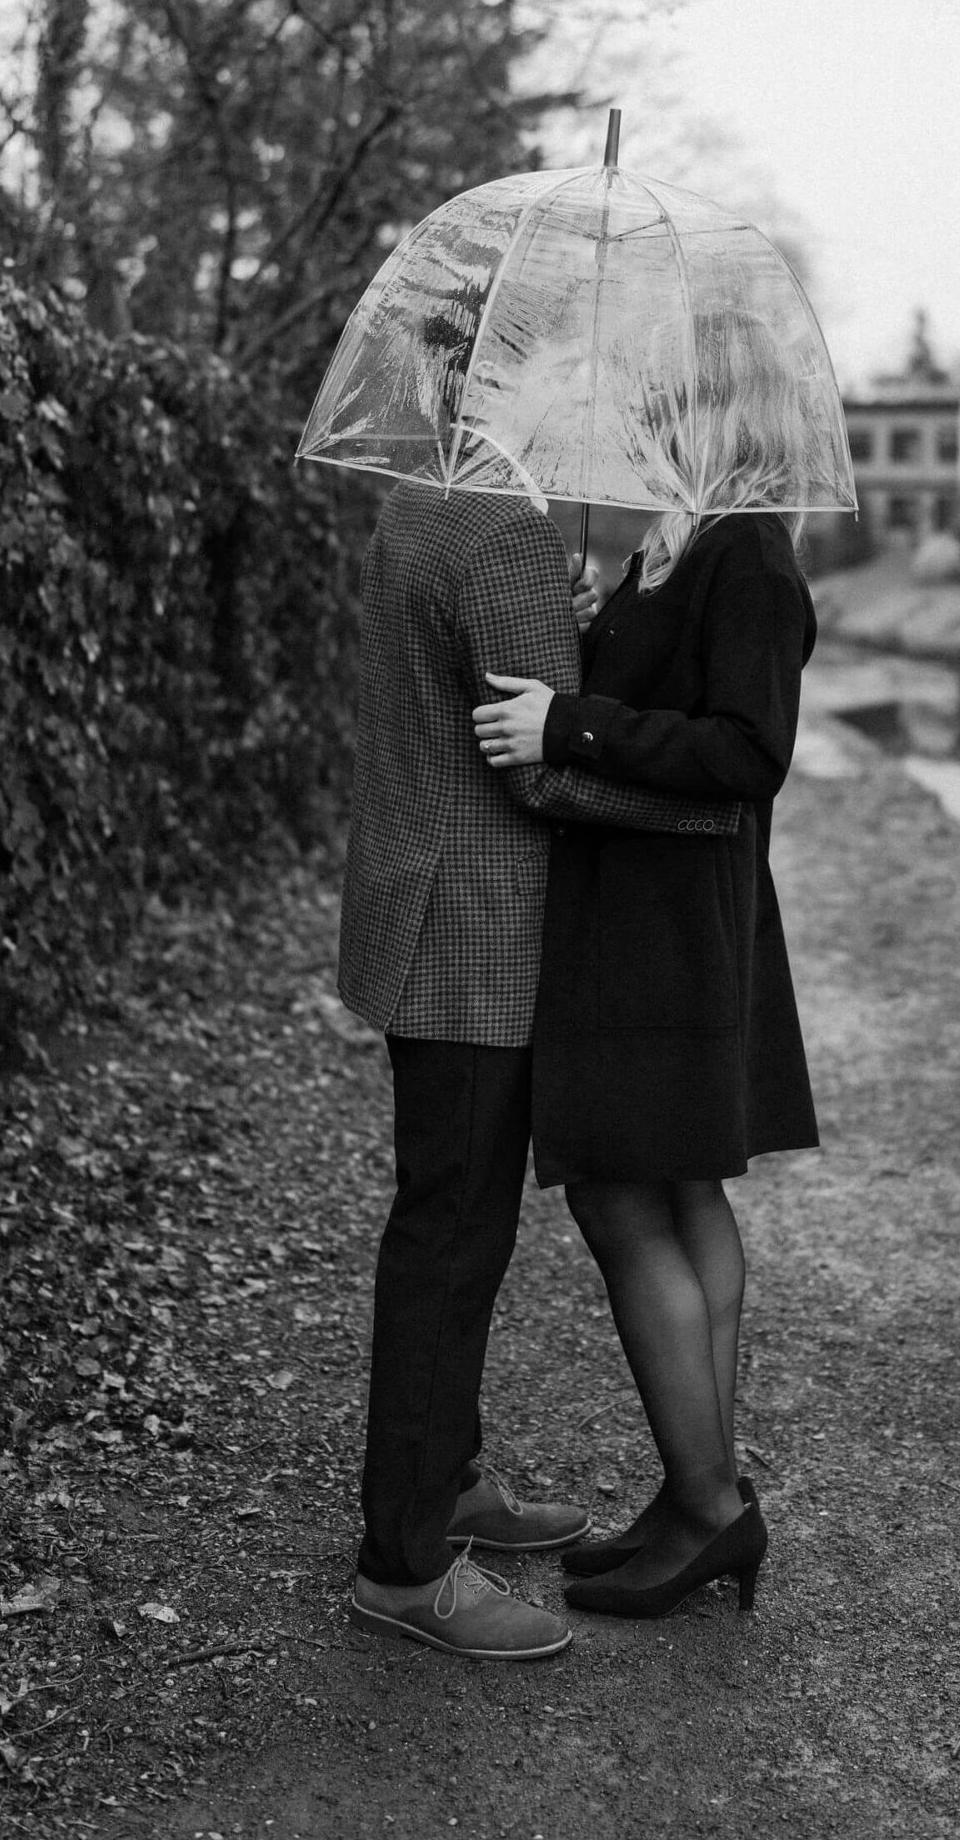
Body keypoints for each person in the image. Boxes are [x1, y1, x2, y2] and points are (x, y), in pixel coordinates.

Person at [341, 478, 739, 1662]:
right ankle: (403, 1566)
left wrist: (556, 630)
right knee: (452, 1239)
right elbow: (544, 772)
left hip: (419, 908)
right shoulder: (507, 530)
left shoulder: (421, 497)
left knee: (450, 1222)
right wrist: (706, 815)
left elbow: (470, 672)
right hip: (475, 938)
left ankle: (445, 1478)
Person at [472, 315, 820, 1619]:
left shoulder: (748, 555)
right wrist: (592, 629)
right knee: (671, 1196)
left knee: (627, 1197)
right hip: (652, 920)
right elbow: (666, 704)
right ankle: (692, 1501)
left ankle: (711, 1503)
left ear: (717, 417)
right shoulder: (676, 552)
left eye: (666, 401)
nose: (644, 418)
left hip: (674, 933)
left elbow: (743, 750)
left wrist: (568, 715)